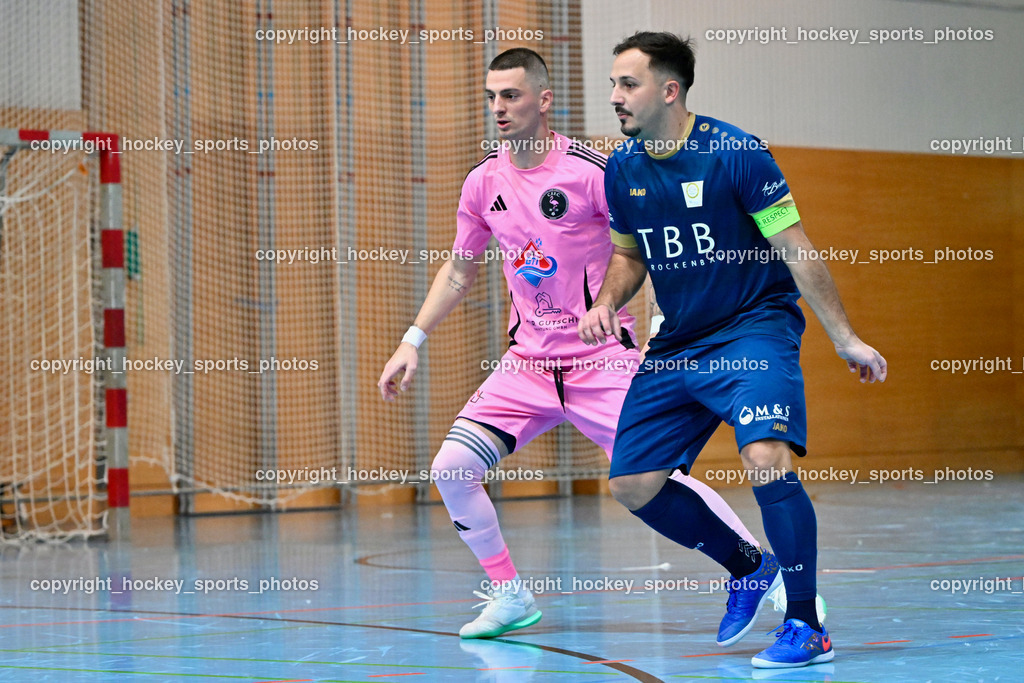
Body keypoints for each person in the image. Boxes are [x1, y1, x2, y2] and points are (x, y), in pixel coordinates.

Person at [378, 47, 771, 640]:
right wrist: (412, 339)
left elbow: (642, 246)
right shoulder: (484, 181)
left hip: (603, 359)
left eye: (510, 95)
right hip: (527, 366)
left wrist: (658, 315)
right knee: (453, 468)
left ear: (543, 100)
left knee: (653, 476)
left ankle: (758, 567)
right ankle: (510, 596)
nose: (498, 108)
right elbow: (460, 270)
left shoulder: (594, 170)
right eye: (491, 97)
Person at [579, 32, 886, 669]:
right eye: (613, 83)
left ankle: (806, 623)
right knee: (633, 485)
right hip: (678, 341)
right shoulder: (623, 170)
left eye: (627, 84)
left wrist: (844, 337)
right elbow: (630, 255)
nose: (614, 97)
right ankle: (748, 565)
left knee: (766, 455)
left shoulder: (737, 153)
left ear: (670, 90)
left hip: (752, 328)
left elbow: (795, 248)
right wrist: (608, 299)